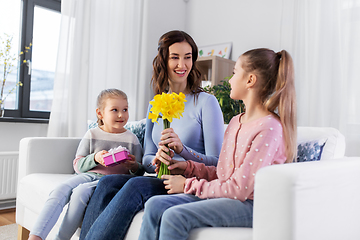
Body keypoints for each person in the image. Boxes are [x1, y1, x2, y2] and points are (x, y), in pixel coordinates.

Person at [138, 48, 297, 240]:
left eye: (234, 73)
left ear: (250, 80)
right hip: (230, 195)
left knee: (174, 217)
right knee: (155, 204)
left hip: (254, 204)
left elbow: (240, 189)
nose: (229, 80)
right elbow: (224, 175)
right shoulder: (236, 121)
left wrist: (188, 184)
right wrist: (188, 168)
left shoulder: (269, 128)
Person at [79, 30, 224, 240]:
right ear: (163, 60)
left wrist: (183, 150)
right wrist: (155, 159)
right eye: (175, 57)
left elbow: (217, 164)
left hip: (186, 183)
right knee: (106, 183)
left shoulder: (205, 102)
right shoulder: (156, 104)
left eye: (188, 57)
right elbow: (147, 160)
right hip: (160, 178)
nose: (182, 65)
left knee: (136, 185)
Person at [28, 89, 143, 240]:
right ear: (100, 113)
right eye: (114, 110)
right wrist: (95, 158)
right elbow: (78, 165)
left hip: (110, 182)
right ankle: (36, 236)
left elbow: (140, 170)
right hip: (88, 175)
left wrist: (133, 165)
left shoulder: (132, 139)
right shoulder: (92, 134)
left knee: (81, 193)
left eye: (125, 109)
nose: (121, 115)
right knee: (60, 189)